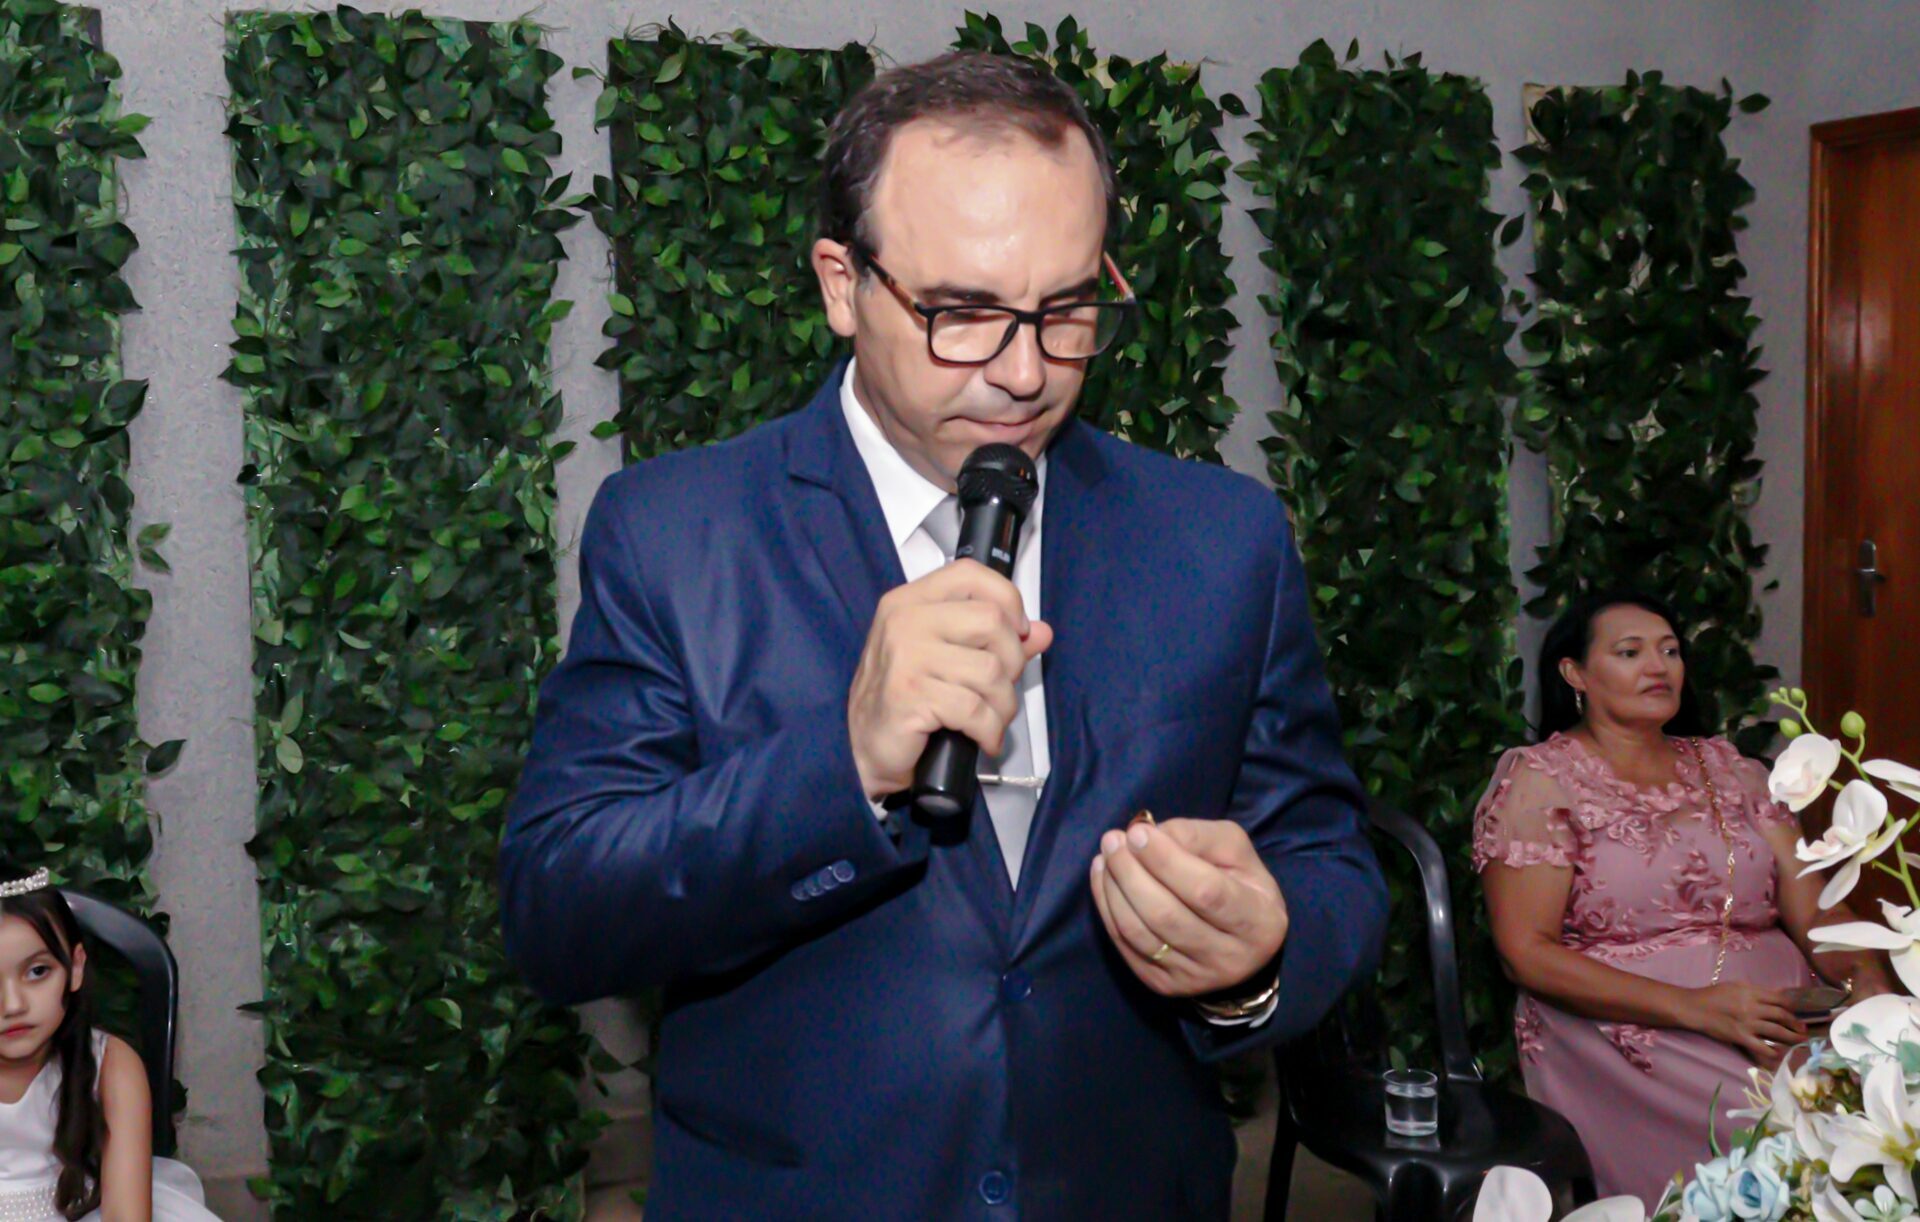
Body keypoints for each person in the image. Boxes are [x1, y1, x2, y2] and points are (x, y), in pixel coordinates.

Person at [501, 51, 1386, 1219]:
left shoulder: (1223, 540)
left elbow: (1327, 858)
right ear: (841, 283)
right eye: (963, 314)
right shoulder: (676, 532)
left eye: (1067, 309)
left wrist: (1258, 960)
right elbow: (561, 912)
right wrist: (841, 765)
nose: (1024, 373)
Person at [1474, 589, 1896, 1206]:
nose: (1658, 666)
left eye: (1670, 651)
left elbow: (1815, 908)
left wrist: (1867, 983)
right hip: (1629, 1027)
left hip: (1785, 1014)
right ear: (1575, 673)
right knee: (1782, 1134)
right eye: (1630, 652)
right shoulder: (1542, 780)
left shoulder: (1734, 769)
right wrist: (1698, 1008)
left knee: (1891, 1102)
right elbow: (1525, 953)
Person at [0, 865, 218, 1221]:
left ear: (75, 968)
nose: (12, 1005)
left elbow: (124, 1215)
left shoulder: (111, 1064)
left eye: (38, 971)